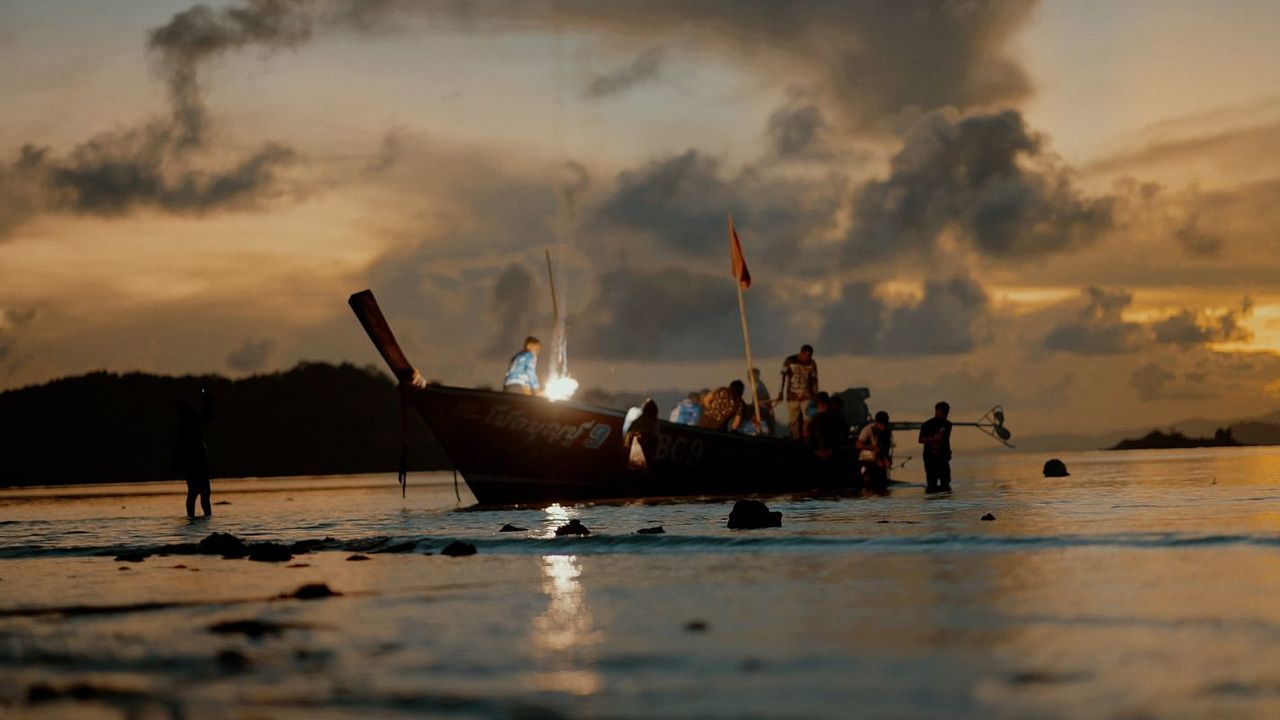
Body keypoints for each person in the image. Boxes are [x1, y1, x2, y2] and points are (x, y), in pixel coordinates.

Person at [176, 389, 214, 517]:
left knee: (198, 493)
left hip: (194, 463)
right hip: (195, 463)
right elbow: (207, 414)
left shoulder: (187, 424)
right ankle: (199, 517)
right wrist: (206, 400)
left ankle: (194, 517)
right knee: (199, 493)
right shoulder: (189, 423)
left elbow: (206, 414)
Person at [779, 344, 818, 440]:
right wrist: (780, 392)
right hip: (792, 396)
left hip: (807, 396)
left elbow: (814, 380)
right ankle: (795, 440)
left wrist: (815, 395)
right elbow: (782, 376)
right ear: (801, 353)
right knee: (794, 422)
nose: (807, 359)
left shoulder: (812, 363)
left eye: (809, 356)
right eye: (805, 356)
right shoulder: (789, 360)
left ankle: (806, 439)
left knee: (808, 420)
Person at [918, 401, 953, 493]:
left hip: (943, 457)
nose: (940, 414)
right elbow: (920, 439)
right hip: (930, 458)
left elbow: (945, 439)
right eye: (938, 411)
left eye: (943, 412)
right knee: (932, 484)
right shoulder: (927, 424)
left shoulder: (948, 425)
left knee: (945, 483)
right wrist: (932, 439)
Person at [856, 410, 893, 488]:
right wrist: (872, 447)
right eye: (881, 424)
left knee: (883, 484)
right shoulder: (868, 429)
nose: (883, 427)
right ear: (876, 422)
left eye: (885, 424)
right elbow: (858, 445)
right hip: (866, 460)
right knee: (868, 482)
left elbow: (886, 448)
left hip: (880, 461)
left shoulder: (887, 431)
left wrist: (887, 459)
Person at [625, 399, 660, 468]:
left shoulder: (654, 425)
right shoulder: (638, 422)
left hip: (644, 458)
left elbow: (655, 441)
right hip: (635, 457)